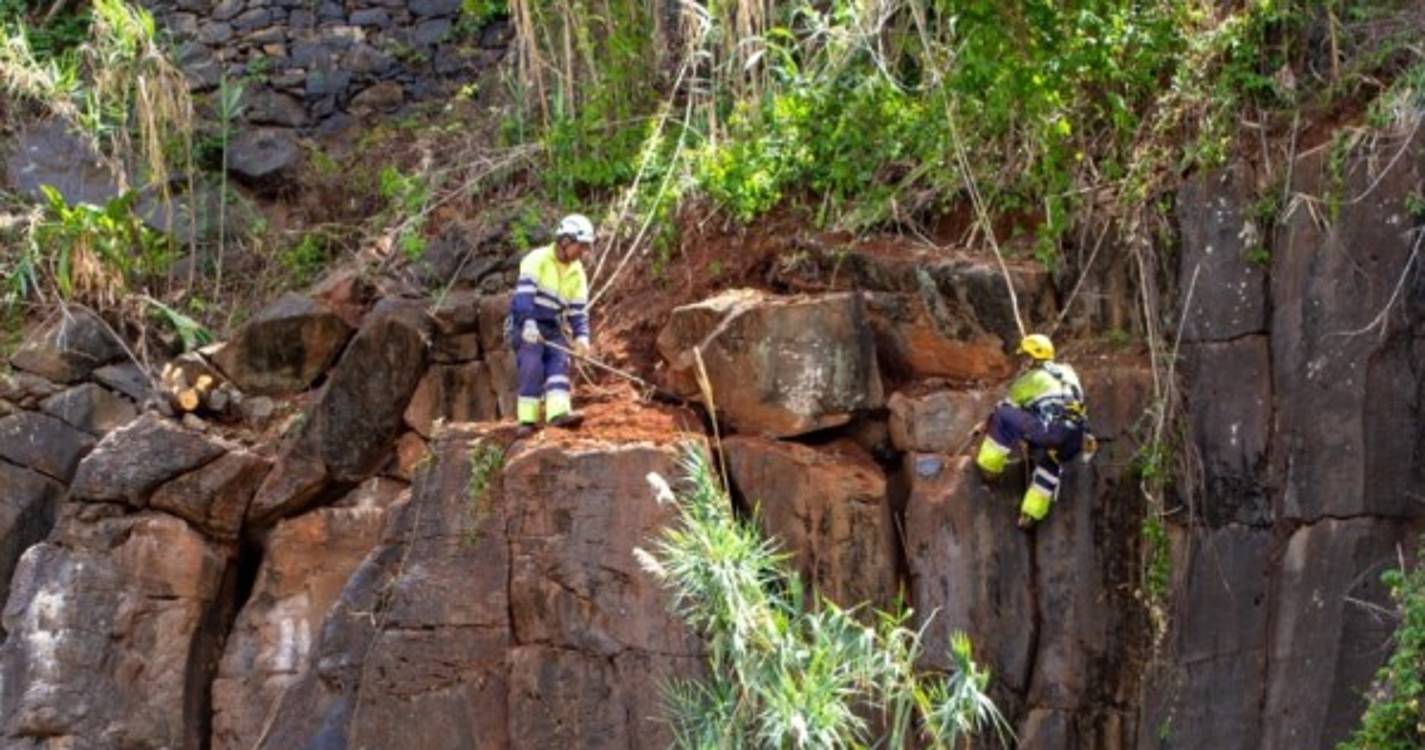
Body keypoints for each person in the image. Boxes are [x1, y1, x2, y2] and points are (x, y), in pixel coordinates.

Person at [974, 333, 1095, 529]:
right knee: (1052, 462)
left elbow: (1007, 407)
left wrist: (985, 423)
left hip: (1051, 432)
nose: (1023, 361)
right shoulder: (1068, 374)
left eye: (1025, 357)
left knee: (1003, 414)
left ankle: (990, 467)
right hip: (1075, 437)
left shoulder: (1030, 380)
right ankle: (1030, 514)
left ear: (1031, 358)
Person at [508, 214, 594, 438]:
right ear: (565, 240)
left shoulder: (578, 273)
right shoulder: (537, 259)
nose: (582, 252)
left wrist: (582, 337)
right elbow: (523, 296)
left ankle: (558, 413)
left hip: (553, 326)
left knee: (559, 362)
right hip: (526, 323)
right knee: (532, 363)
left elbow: (577, 311)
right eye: (580, 246)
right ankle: (527, 420)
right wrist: (528, 323)